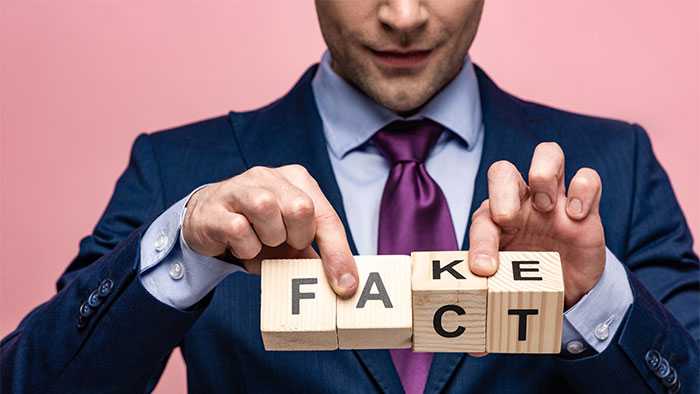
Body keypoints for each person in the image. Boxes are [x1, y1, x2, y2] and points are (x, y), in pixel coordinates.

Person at [2, 1, 697, 393]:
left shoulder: (614, 168)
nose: (402, 15)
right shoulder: (178, 170)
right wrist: (182, 252)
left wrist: (594, 297)